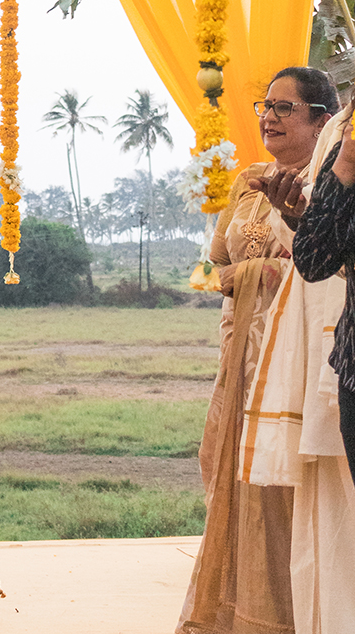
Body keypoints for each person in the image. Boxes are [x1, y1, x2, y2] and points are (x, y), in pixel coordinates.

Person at [177, 66, 337, 634]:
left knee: (287, 477)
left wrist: (266, 270)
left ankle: (298, 611)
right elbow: (215, 262)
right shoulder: (249, 181)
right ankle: (242, 603)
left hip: (299, 357)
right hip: (241, 353)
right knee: (228, 467)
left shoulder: (334, 187)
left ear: (323, 120)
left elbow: (326, 269)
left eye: (283, 108)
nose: (268, 117)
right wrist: (248, 273)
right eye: (263, 106)